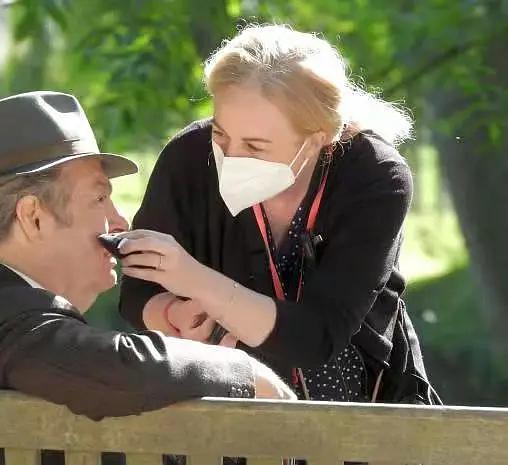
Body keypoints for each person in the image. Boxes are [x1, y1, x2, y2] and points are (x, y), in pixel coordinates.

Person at [0, 91, 295, 465]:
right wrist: (244, 372)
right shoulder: (5, 324)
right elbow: (125, 367)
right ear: (33, 217)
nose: (120, 223)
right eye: (100, 198)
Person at [119, 25, 440, 405]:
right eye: (220, 135)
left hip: (356, 408)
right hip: (219, 404)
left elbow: (317, 337)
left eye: (255, 146)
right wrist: (171, 314)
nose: (230, 157)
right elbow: (138, 292)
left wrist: (197, 281)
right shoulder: (187, 157)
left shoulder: (374, 176)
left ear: (317, 138)